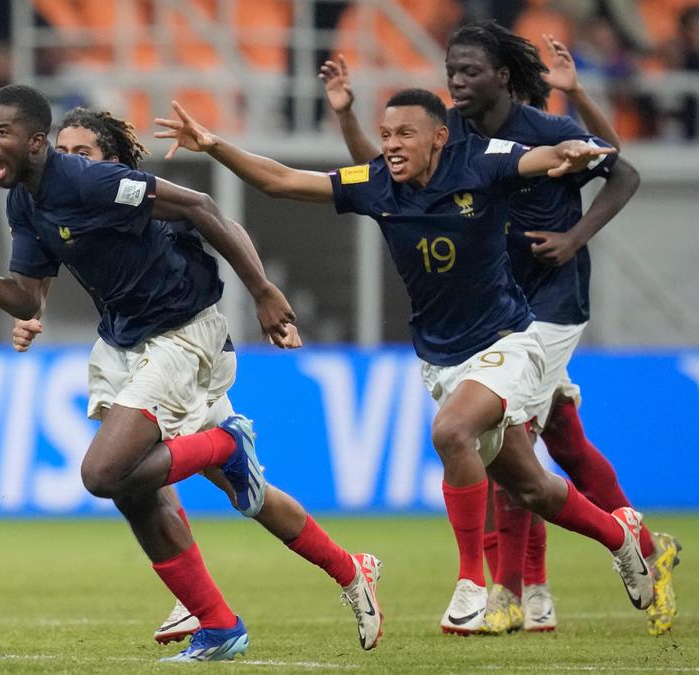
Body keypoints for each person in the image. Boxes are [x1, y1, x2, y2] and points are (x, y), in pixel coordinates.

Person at [155, 87, 654, 638]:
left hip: (509, 342)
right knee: (532, 486)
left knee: (451, 432)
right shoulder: (375, 183)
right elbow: (282, 181)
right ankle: (618, 535)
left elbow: (541, 158)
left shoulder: (479, 161)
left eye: (404, 134)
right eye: (386, 134)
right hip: (443, 359)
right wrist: (213, 144)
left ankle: (469, 584)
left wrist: (570, 152)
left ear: (439, 137)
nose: (391, 145)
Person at [0, 85, 377, 662]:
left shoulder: (99, 186)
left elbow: (203, 207)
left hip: (180, 336)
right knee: (203, 495)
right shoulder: (26, 202)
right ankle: (320, 582)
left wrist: (265, 292)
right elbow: (27, 299)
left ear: (36, 143)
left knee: (105, 473)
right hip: (124, 344)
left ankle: (224, 446)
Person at [318, 20, 678, 636]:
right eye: (451, 70)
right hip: (495, 300)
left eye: (468, 70)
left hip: (552, 300)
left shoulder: (544, 129)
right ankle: (623, 546)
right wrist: (350, 117)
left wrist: (575, 236)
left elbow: (618, 167)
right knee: (553, 443)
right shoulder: (445, 133)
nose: (455, 80)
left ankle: (512, 589)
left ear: (502, 75)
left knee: (510, 438)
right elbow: (383, 181)